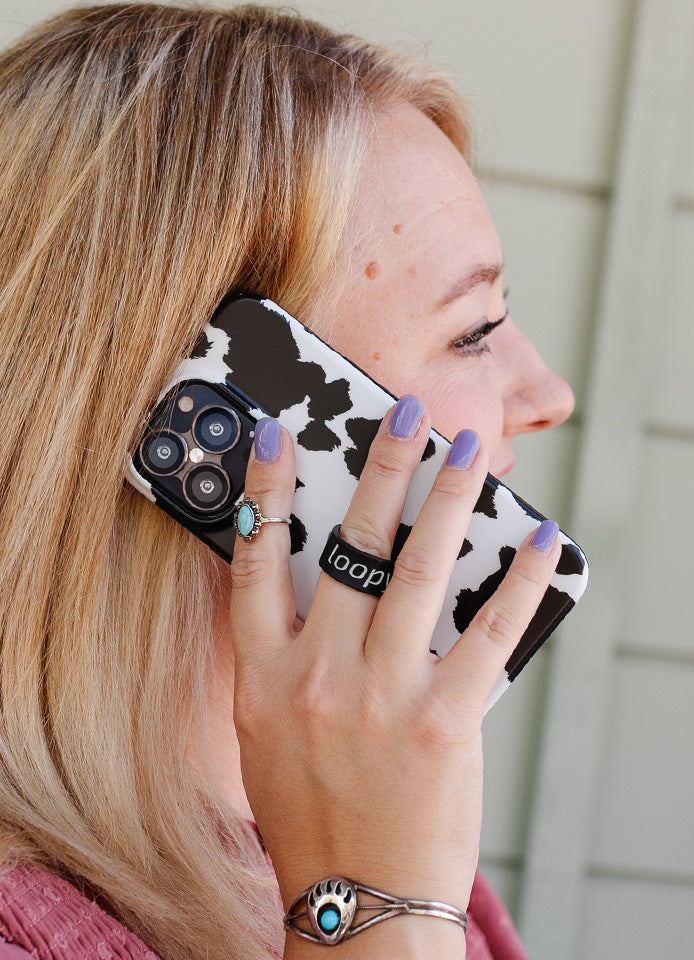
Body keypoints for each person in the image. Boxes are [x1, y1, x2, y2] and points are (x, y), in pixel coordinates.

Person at [0, 4, 574, 958]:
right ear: (201, 398)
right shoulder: (384, 872)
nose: (546, 391)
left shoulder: (393, 837)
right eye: (471, 330)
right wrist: (377, 910)